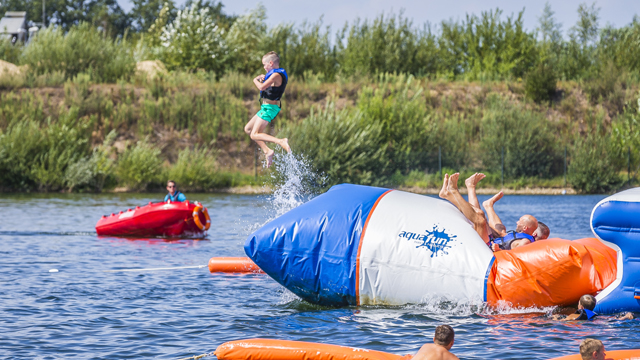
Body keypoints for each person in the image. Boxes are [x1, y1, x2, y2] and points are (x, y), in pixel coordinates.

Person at [243, 51, 292, 168]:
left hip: (270, 108)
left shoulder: (276, 75)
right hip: (265, 107)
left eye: (264, 65)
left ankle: (281, 141)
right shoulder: (273, 75)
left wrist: (255, 79)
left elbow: (261, 87)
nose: (264, 68)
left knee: (254, 134)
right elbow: (267, 88)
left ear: (270, 63)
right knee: (248, 129)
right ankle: (267, 151)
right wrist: (263, 79)